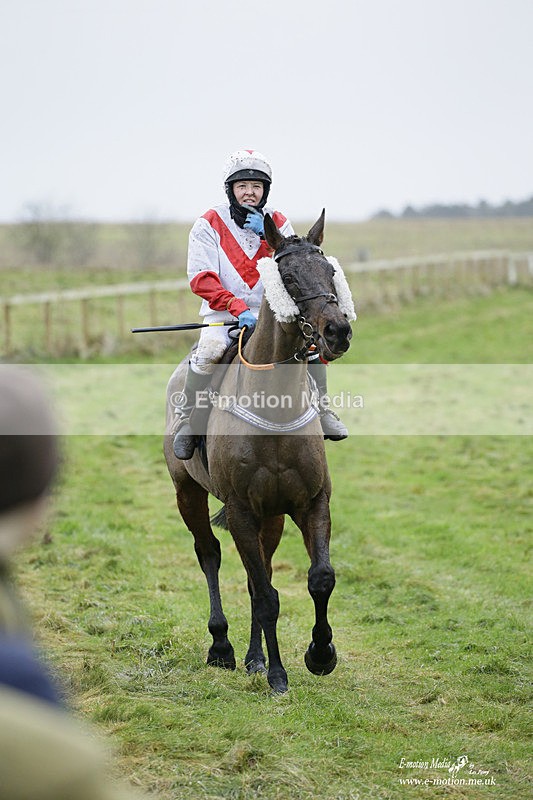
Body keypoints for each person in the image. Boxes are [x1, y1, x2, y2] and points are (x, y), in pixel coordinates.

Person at [0, 365, 146, 800]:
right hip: (222, 331)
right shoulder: (58, 765)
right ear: (40, 503)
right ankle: (191, 437)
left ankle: (319, 413)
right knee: (204, 361)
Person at [173, 149, 348, 460]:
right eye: (242, 186)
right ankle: (188, 420)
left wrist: (269, 238)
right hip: (224, 313)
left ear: (265, 190)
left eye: (256, 186)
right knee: (209, 351)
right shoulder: (208, 224)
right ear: (230, 190)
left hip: (276, 312)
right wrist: (237, 307)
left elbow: (297, 268)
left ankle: (322, 410)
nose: (249, 192)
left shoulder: (279, 221)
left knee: (310, 348)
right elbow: (201, 278)